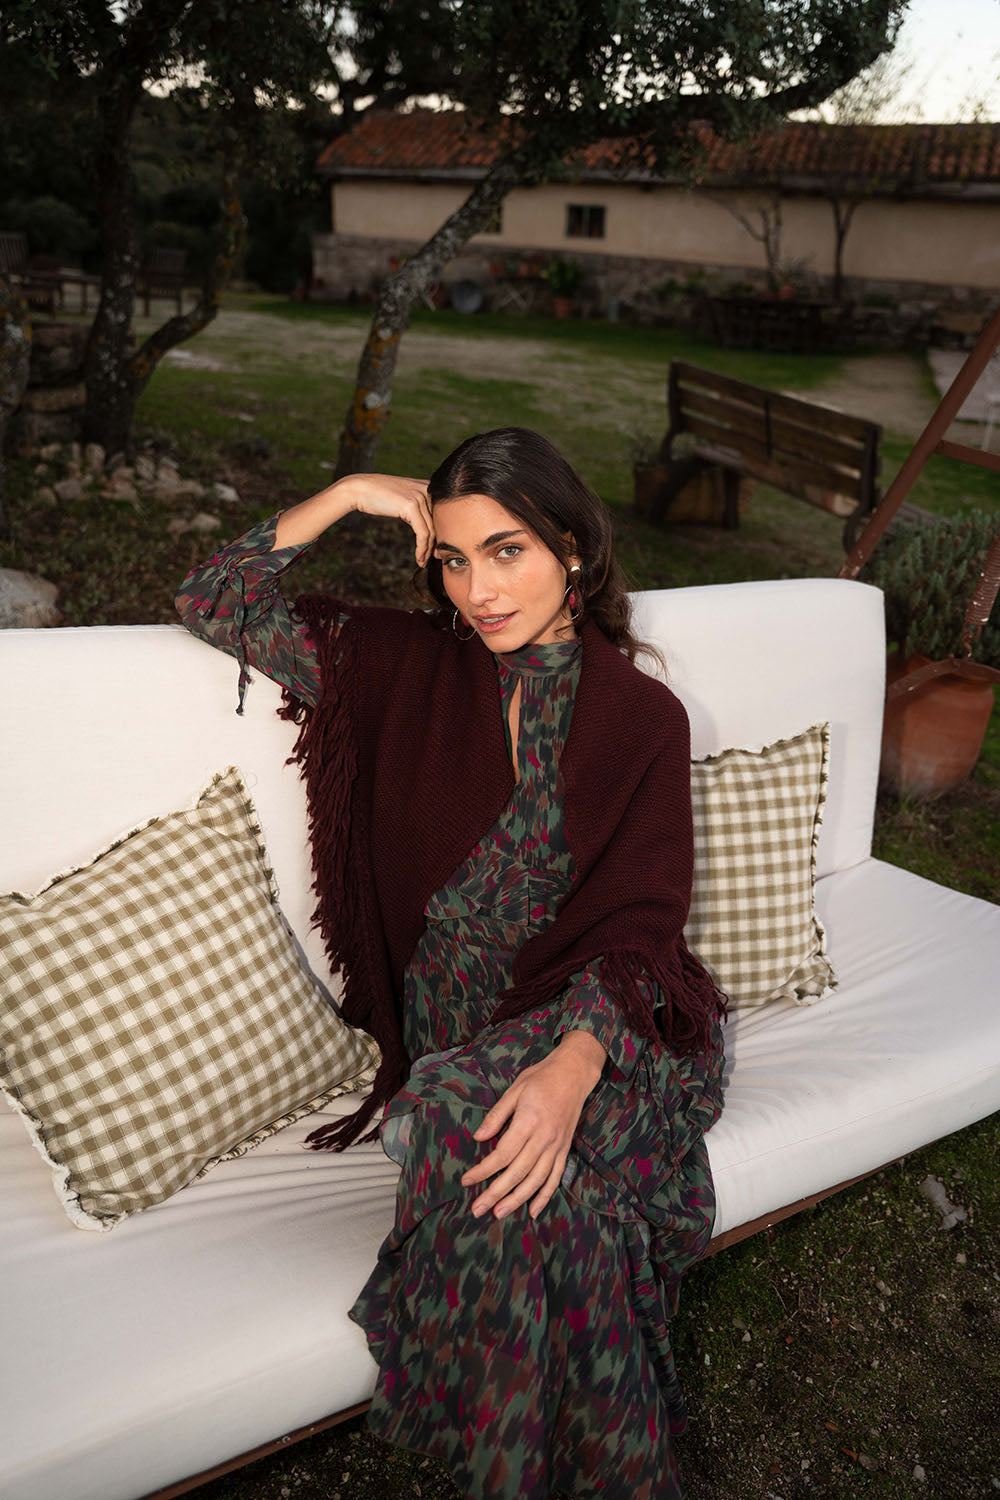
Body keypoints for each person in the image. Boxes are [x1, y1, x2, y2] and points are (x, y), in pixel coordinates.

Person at [175, 426, 727, 1500]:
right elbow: (214, 597)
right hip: (461, 1034)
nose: (479, 590)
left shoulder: (642, 719)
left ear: (573, 549)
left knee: (458, 1139)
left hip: (608, 1021)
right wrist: (347, 493)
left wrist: (572, 1070)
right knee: (512, 1173)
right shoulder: (403, 665)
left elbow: (644, 924)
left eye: (508, 551)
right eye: (455, 559)